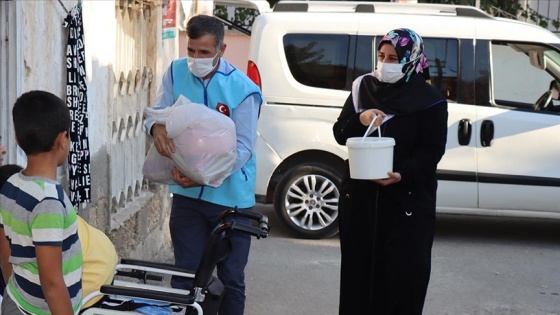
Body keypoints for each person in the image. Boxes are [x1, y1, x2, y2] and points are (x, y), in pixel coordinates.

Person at [144, 14, 262, 315]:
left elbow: (244, 149)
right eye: (191, 50)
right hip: (187, 199)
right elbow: (157, 113)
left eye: (204, 52)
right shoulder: (175, 72)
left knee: (231, 279)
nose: (196, 59)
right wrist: (156, 128)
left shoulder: (244, 89)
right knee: (185, 276)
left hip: (231, 201)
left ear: (221, 50)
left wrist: (203, 177)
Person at [332, 28, 448, 315]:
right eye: (381, 56)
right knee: (360, 279)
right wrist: (360, 117)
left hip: (406, 205)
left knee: (401, 281)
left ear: (411, 59)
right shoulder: (363, 87)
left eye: (394, 57)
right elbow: (340, 132)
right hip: (361, 200)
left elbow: (432, 151)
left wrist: (402, 174)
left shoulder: (429, 100)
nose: (385, 63)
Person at [0, 90, 83, 314]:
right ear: (61, 140)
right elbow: (52, 283)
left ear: (17, 139)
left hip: (16, 300)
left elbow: (5, 252)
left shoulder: (10, 185)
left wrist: (15, 292)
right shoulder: (48, 201)